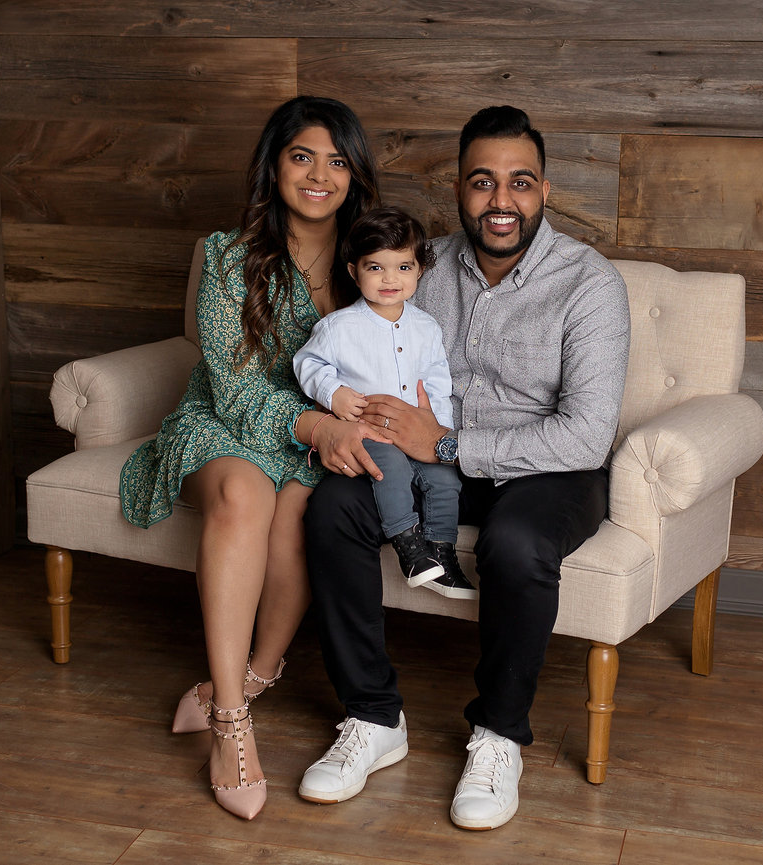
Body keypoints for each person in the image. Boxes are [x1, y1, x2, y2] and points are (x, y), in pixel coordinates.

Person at [297, 106, 631, 830]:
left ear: (545, 189)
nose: (500, 201)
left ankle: (499, 733)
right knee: (331, 509)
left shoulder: (589, 284)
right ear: (458, 186)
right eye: (483, 182)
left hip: (547, 470)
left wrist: (443, 445)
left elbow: (584, 435)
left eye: (520, 182)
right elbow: (348, 352)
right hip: (431, 462)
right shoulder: (418, 267)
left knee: (516, 544)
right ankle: (373, 715)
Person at [118, 95, 384, 821]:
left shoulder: (372, 263)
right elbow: (232, 386)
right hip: (227, 421)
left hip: (314, 436)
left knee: (307, 509)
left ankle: (253, 676)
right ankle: (232, 724)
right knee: (244, 495)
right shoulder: (227, 254)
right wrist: (312, 426)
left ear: (355, 173)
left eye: (337, 160)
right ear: (275, 164)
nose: (320, 174)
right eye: (303, 156)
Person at [293, 206, 476, 600]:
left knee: (446, 480)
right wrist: (333, 393)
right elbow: (306, 363)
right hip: (372, 430)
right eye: (376, 268)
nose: (390, 279)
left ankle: (442, 556)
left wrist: (438, 430)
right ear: (353, 271)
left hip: (420, 431)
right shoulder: (338, 328)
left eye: (403, 268)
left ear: (420, 270)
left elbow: (438, 381)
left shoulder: (426, 327)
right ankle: (409, 547)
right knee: (388, 469)